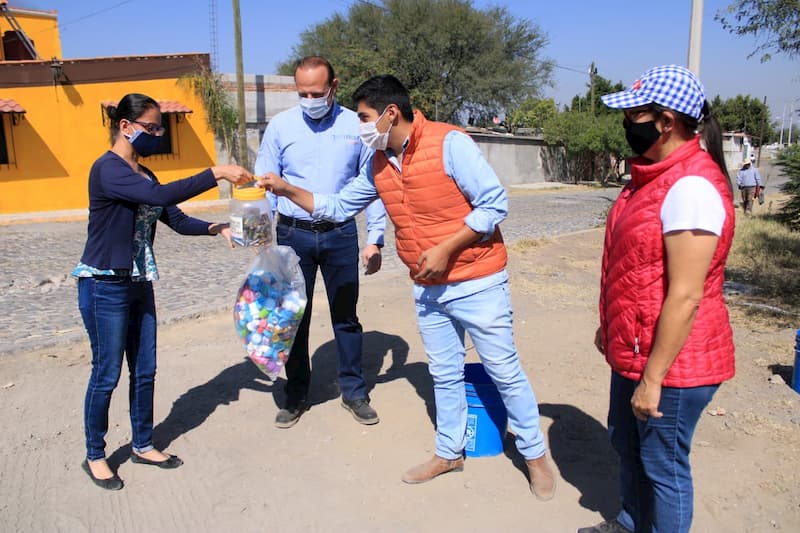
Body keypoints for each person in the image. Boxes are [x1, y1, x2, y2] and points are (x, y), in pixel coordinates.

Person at [257, 74, 556, 500]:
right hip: (428, 287)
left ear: (389, 113)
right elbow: (339, 206)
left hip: (477, 280)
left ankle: (535, 456)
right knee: (445, 373)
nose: (360, 126)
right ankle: (449, 451)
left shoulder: (450, 143)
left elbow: (495, 203)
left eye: (363, 117)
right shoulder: (379, 163)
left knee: (504, 370)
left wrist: (447, 248)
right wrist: (286, 188)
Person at [579, 65, 736, 533]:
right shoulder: (651, 178)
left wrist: (653, 379)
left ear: (666, 121)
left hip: (673, 363)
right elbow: (636, 270)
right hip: (636, 346)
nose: (627, 122)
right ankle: (630, 522)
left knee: (663, 466)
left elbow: (686, 296)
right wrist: (611, 323)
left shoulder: (691, 187)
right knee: (625, 443)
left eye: (633, 114)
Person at [74, 93, 253, 490]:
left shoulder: (146, 174)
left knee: (146, 369)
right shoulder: (107, 170)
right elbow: (158, 198)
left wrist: (215, 227)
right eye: (151, 128)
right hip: (104, 283)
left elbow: (173, 216)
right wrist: (215, 173)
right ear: (126, 127)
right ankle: (95, 454)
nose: (157, 135)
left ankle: (142, 443)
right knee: (106, 374)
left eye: (159, 128)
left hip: (138, 283)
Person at [254, 56, 386, 429]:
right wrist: (261, 238)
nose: (309, 99)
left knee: (346, 316)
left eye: (317, 92)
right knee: (294, 318)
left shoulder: (355, 126)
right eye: (302, 93)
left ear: (334, 87)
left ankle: (354, 392)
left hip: (340, 234)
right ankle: (296, 394)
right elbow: (265, 185)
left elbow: (371, 185)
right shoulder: (280, 127)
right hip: (292, 234)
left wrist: (374, 238)